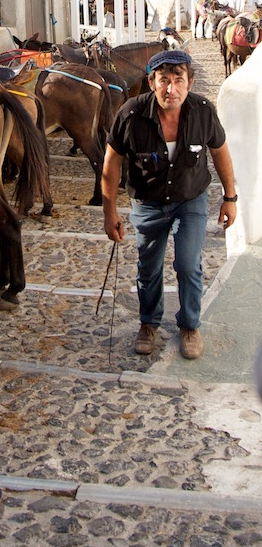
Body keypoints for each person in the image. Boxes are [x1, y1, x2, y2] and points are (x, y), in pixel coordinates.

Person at [101, 50, 237, 360]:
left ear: (190, 82)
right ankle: (148, 324)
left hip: (189, 200)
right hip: (148, 204)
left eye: (178, 81)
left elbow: (220, 152)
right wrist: (110, 212)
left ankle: (189, 326)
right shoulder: (131, 114)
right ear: (151, 82)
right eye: (163, 80)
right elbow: (111, 164)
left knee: (188, 264)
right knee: (148, 268)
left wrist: (230, 198)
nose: (170, 89)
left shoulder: (203, 111)